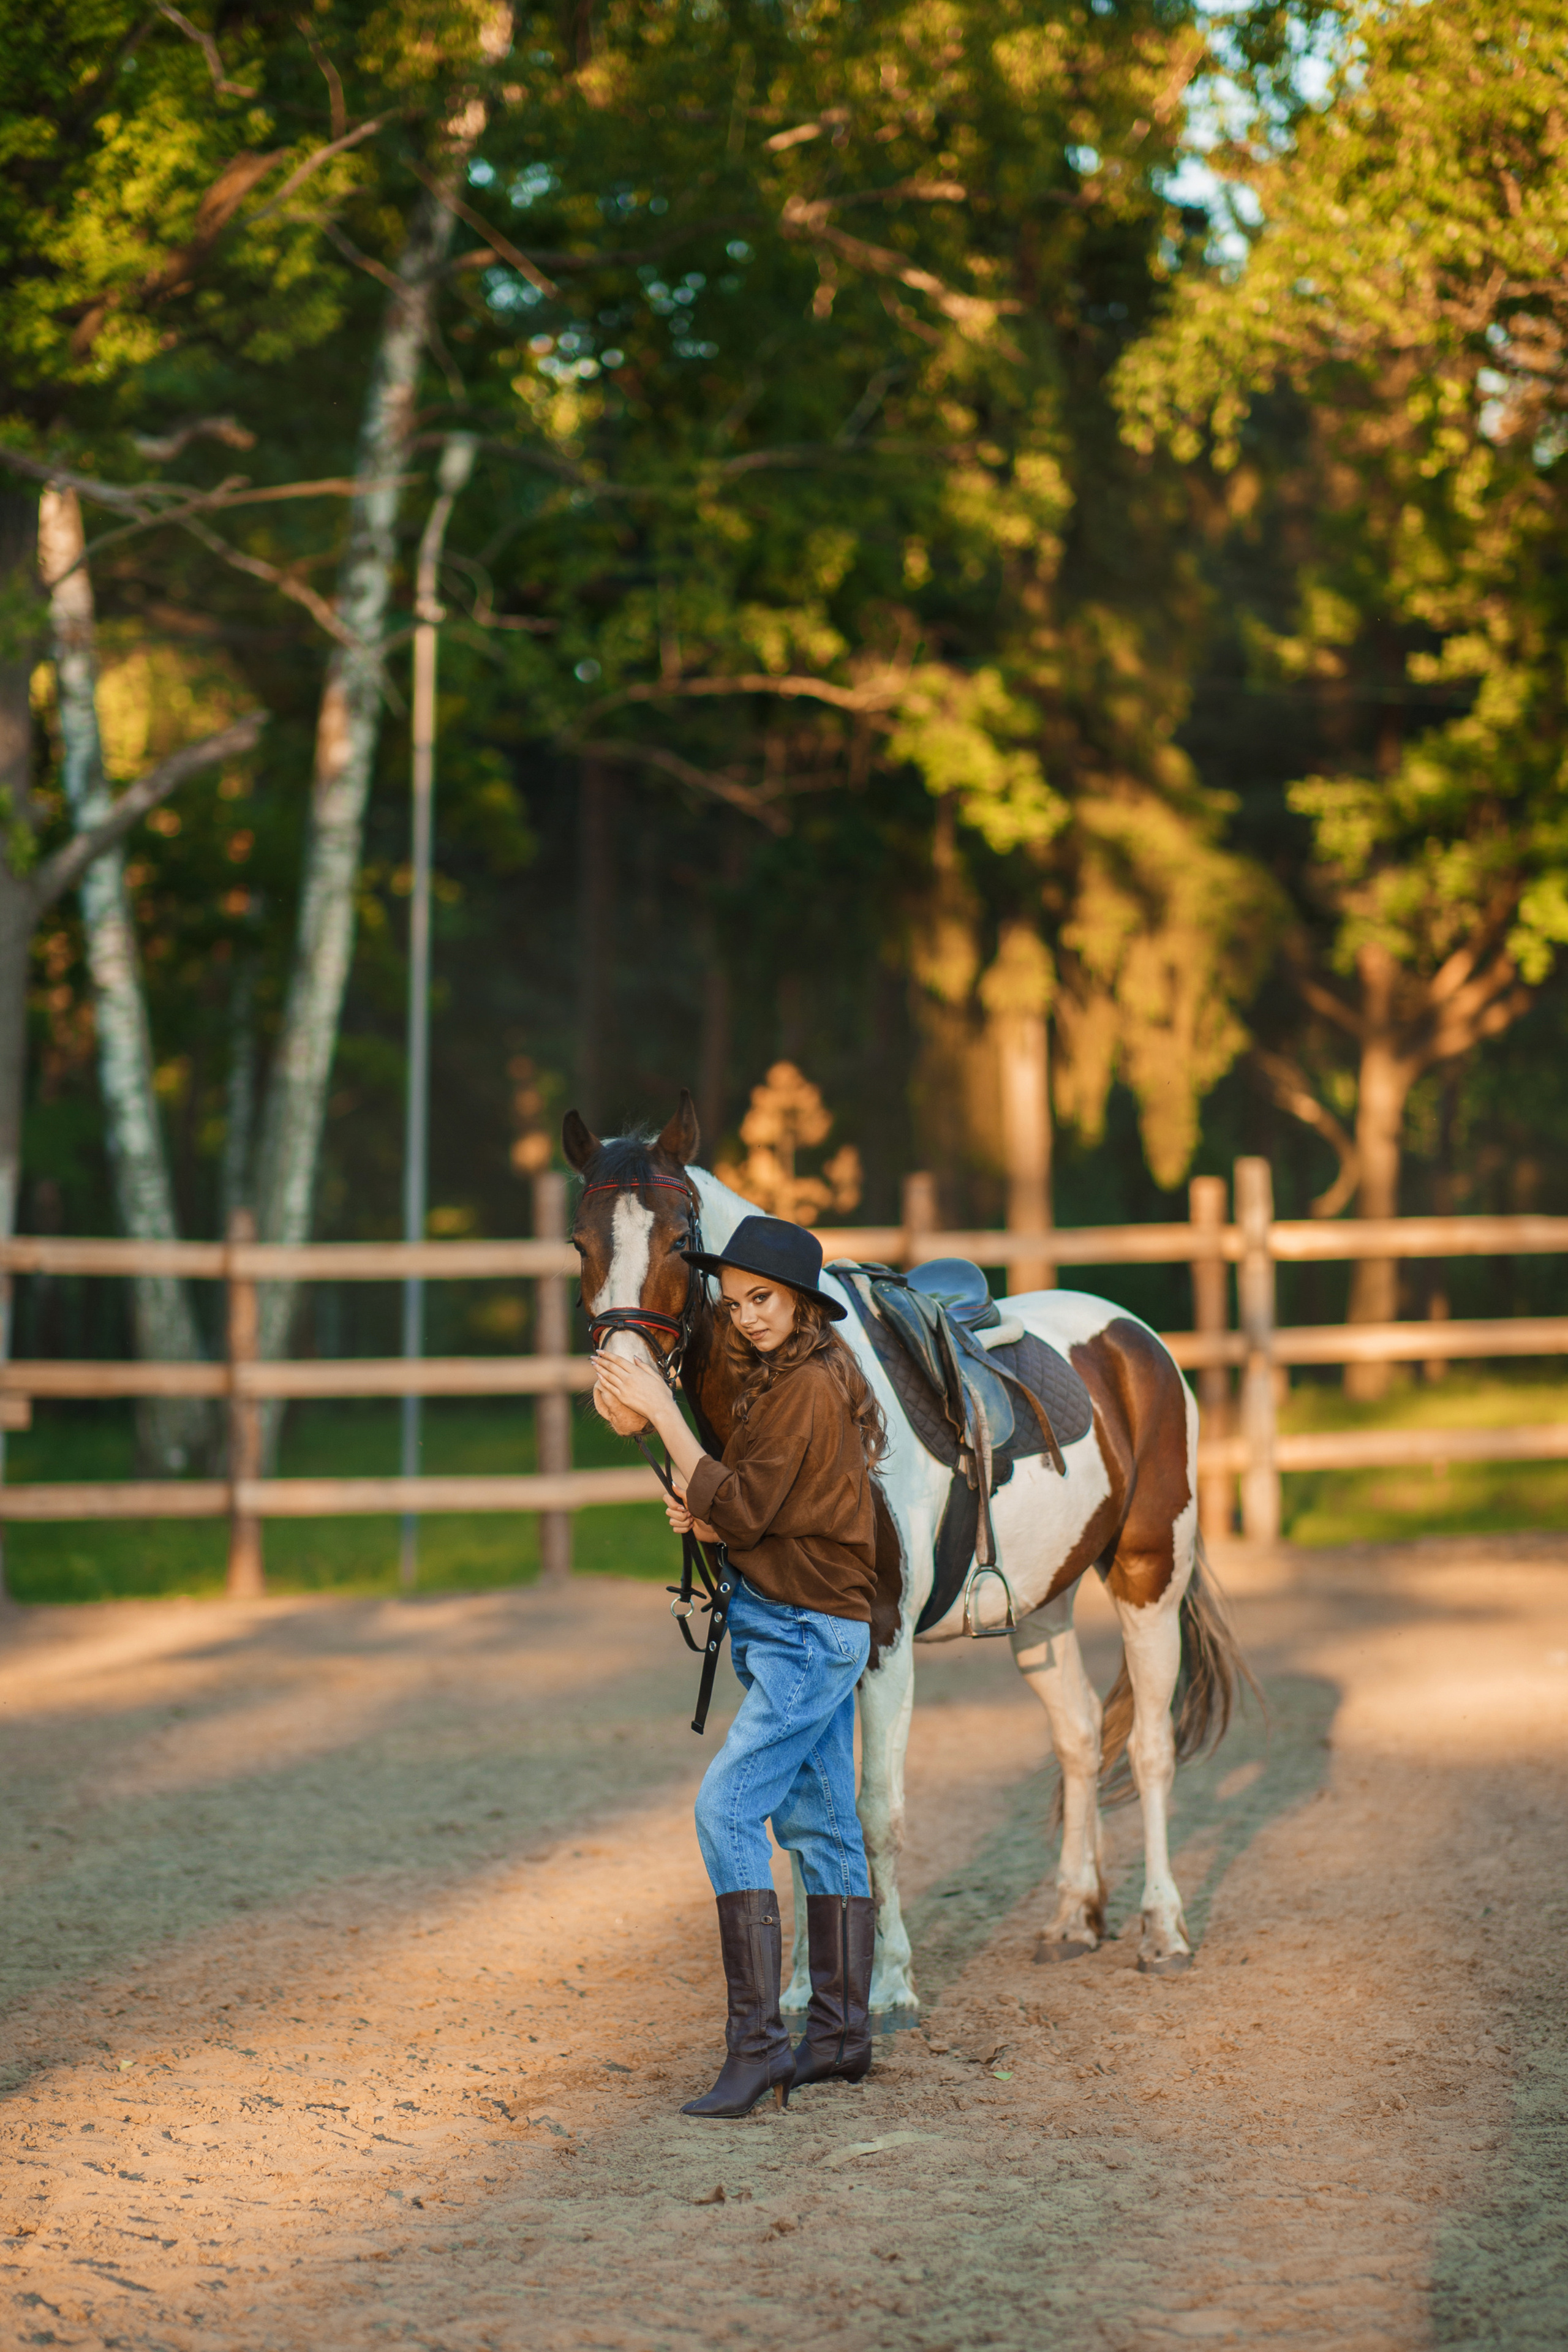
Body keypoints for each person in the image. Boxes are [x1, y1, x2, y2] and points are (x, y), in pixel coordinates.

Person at [593, 1214, 886, 2120]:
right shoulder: (779, 1375)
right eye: (736, 1300)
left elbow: (751, 1508)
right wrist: (705, 1513)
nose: (747, 1316)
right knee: (824, 1824)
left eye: (765, 1299)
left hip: (807, 1630)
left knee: (725, 1809)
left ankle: (757, 2047)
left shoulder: (807, 1386)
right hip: (800, 1620)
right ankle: (839, 2037)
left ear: (802, 1302)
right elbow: (755, 1505)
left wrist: (673, 1426)